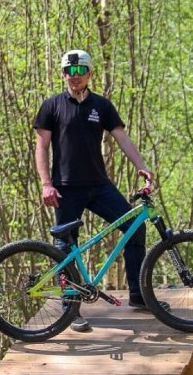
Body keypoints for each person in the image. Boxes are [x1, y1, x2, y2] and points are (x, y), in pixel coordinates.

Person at [33, 48, 164, 332]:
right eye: (69, 71)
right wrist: (46, 183)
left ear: (90, 73)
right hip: (66, 188)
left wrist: (141, 165)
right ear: (62, 74)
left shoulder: (101, 106)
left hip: (99, 185)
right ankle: (71, 310)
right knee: (66, 246)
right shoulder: (52, 106)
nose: (75, 76)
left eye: (80, 71)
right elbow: (41, 147)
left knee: (134, 227)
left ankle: (139, 296)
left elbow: (121, 138)